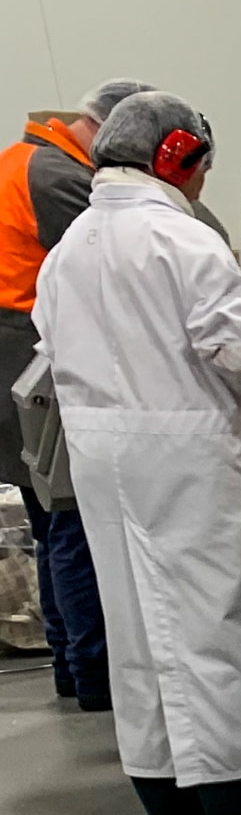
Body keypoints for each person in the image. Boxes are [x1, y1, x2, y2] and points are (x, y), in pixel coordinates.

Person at [34, 89, 241, 815]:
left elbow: (54, 347)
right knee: (212, 631)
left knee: (138, 634)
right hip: (185, 455)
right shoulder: (181, 243)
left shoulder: (70, 249)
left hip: (102, 457)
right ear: (177, 159)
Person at [1, 78, 150, 713]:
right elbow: (114, 262)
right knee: (71, 518)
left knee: (49, 520)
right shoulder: (59, 176)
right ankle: (94, 673)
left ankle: (70, 661)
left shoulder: (23, 159)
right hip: (28, 352)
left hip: (16, 355)